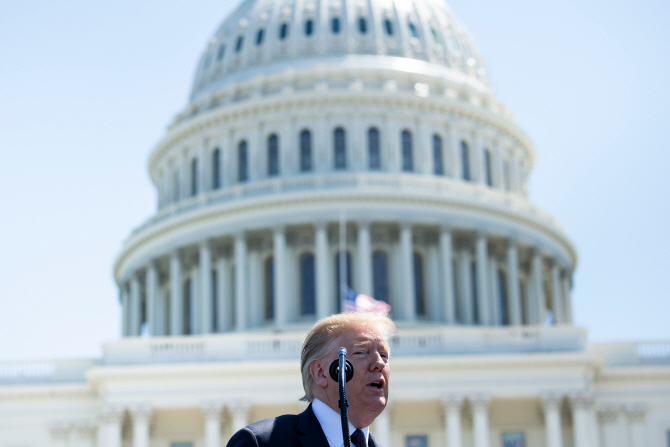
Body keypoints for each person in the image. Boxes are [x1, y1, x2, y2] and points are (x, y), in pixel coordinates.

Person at [226, 312, 396, 447]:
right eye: (360, 352)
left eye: (384, 355)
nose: (379, 363)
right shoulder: (262, 442)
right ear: (321, 372)